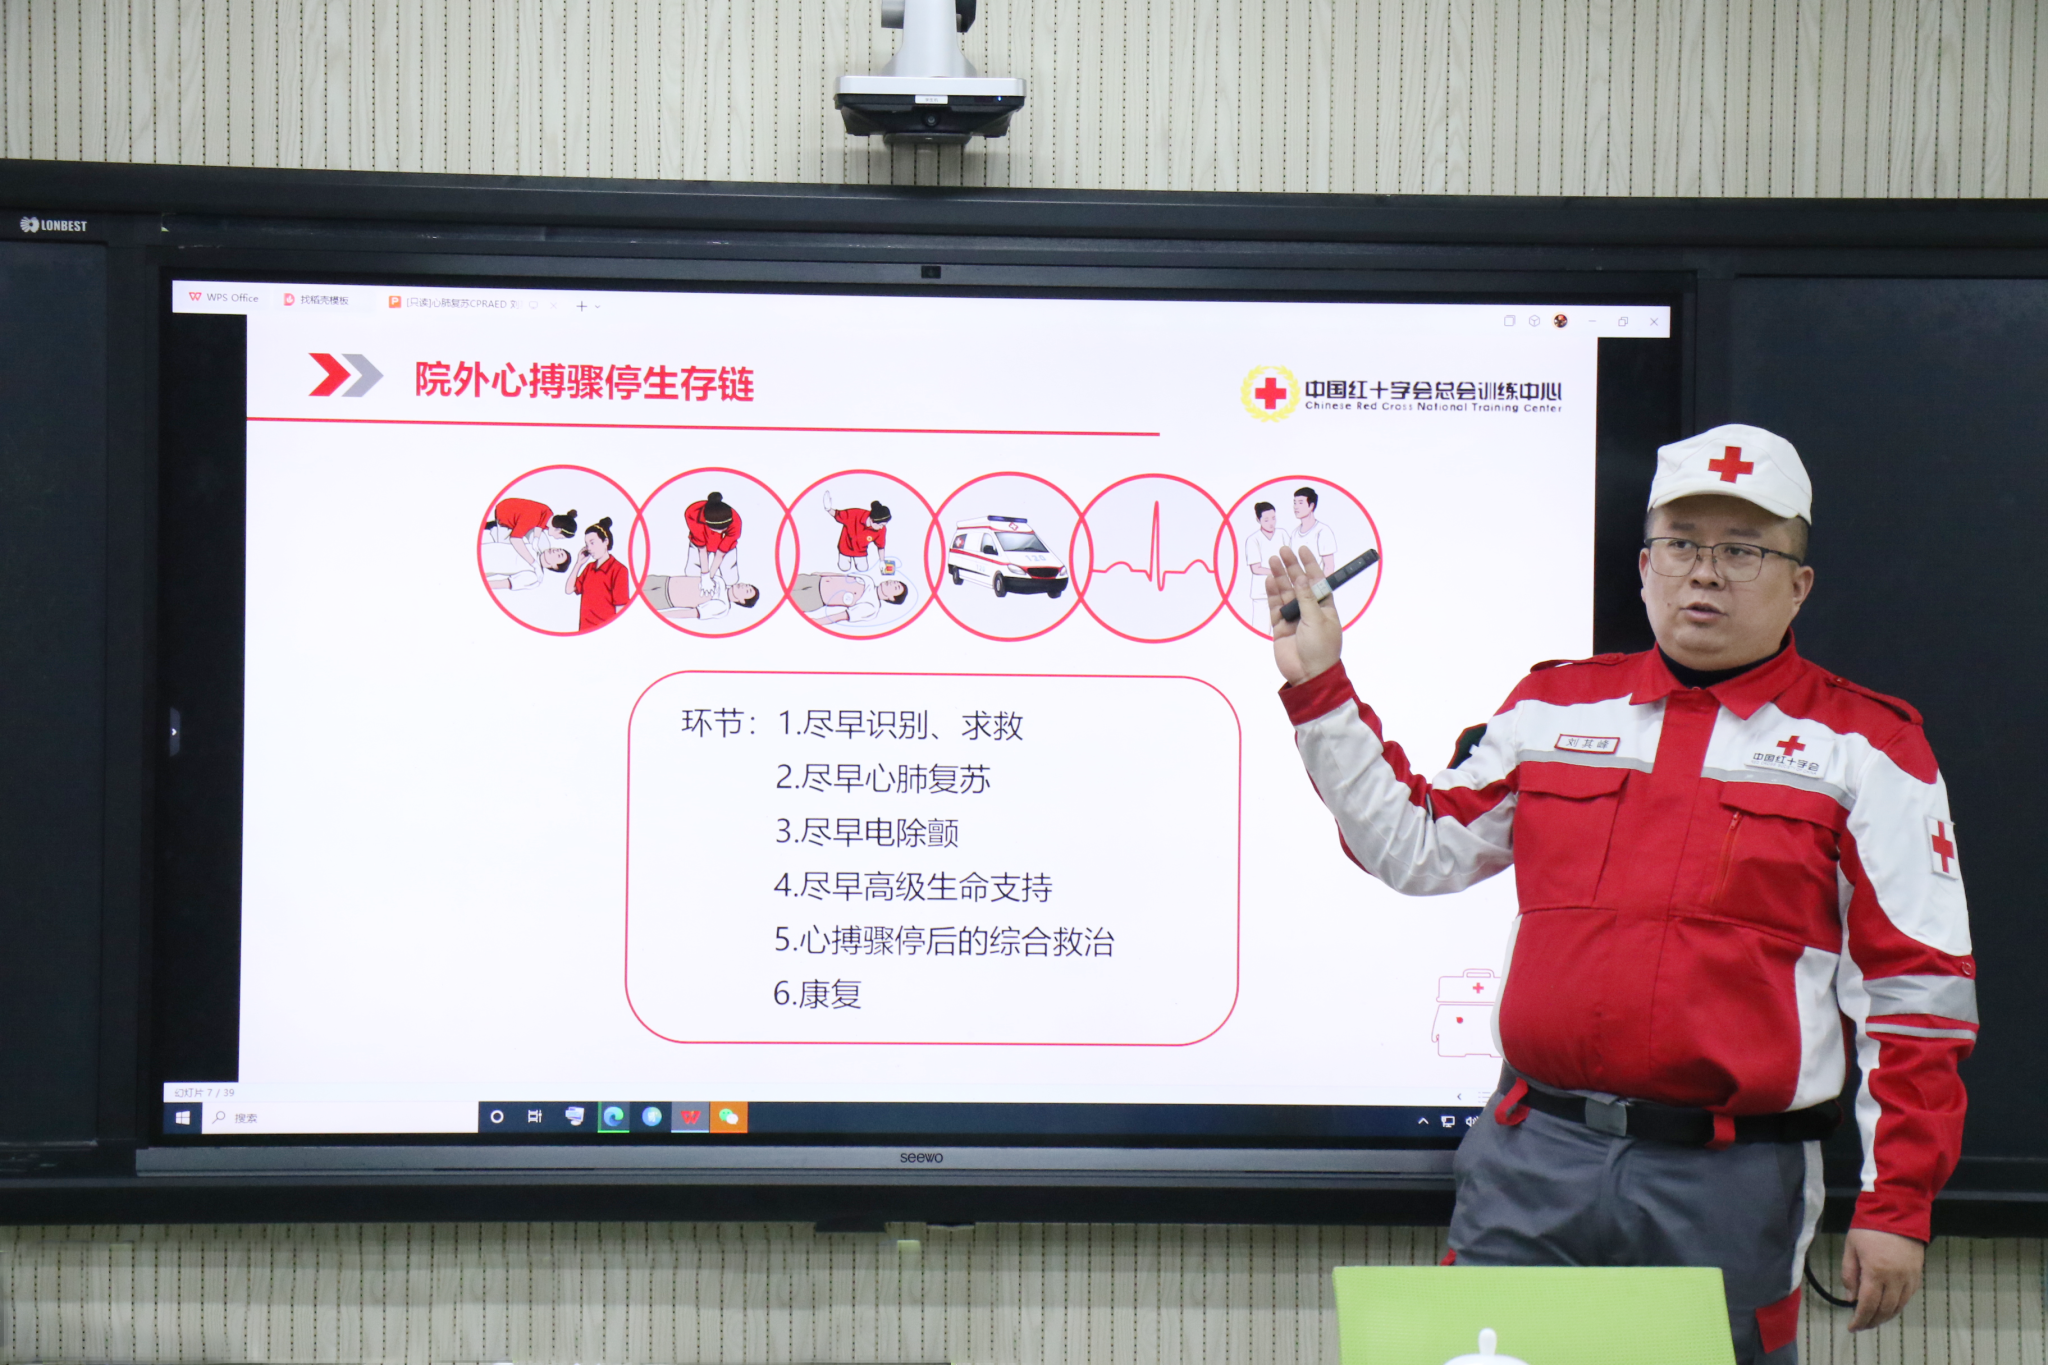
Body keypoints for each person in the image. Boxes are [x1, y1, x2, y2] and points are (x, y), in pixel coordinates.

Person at [1263, 425, 1973, 1365]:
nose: (1704, 573)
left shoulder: (1870, 747)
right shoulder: (1552, 708)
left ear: (1799, 584)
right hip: (1533, 1160)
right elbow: (1417, 846)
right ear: (1644, 567)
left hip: (1729, 1177)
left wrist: (1899, 1202)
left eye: (1743, 550)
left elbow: (1917, 996)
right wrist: (1319, 685)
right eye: (1681, 544)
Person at [567, 517, 632, 632]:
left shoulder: (619, 570)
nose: (589, 548)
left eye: (592, 543)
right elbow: (569, 589)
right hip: (584, 629)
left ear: (605, 541)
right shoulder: (589, 568)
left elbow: (621, 608)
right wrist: (578, 563)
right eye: (587, 544)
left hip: (606, 631)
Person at [487, 497, 578, 569]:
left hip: (519, 519)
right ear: (558, 530)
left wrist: (536, 541)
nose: (557, 539)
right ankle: (492, 528)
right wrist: (533, 563)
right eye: (560, 537)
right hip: (504, 515)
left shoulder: (547, 517)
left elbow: (539, 528)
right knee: (506, 548)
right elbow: (515, 539)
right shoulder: (533, 518)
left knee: (542, 542)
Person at [791, 571, 908, 624]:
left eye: (896, 587)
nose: (892, 582)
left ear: (892, 598)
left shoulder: (871, 607)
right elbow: (844, 576)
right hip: (814, 580)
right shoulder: (868, 579)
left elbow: (840, 616)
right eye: (894, 581)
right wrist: (821, 574)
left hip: (815, 597)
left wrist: (817, 622)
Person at [481, 524, 572, 590]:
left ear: (555, 566)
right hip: (482, 548)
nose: (556, 551)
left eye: (559, 555)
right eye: (558, 549)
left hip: (483, 566)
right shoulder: (535, 546)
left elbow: (504, 583)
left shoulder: (535, 576)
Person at [822, 489, 892, 571]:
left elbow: (881, 546)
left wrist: (882, 561)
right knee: (844, 568)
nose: (881, 527)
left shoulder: (881, 530)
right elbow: (837, 514)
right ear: (872, 520)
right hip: (845, 548)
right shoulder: (855, 514)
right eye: (880, 525)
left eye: (884, 525)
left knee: (863, 568)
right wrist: (828, 508)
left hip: (861, 552)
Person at [644, 572, 761, 620]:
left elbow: (690, 613)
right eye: (747, 585)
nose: (744, 586)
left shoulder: (722, 606)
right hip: (664, 580)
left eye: (747, 591)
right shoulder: (720, 580)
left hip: (664, 598)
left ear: (742, 601)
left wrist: (661, 616)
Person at [684, 491, 743, 583]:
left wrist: (710, 577)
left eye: (723, 530)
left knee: (731, 579)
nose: (720, 532)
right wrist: (705, 576)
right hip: (700, 544)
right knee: (692, 572)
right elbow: (702, 550)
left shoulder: (736, 521)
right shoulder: (693, 514)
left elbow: (720, 554)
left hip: (724, 547)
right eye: (717, 530)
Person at [1244, 500, 1290, 602]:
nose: (1271, 523)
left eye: (1273, 518)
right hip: (1261, 593)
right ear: (1258, 520)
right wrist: (1279, 572)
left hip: (1284, 590)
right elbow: (1256, 569)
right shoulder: (1253, 539)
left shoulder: (1282, 534)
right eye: (1266, 520)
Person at [1291, 485, 1337, 572]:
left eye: (1300, 503)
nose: (1296, 507)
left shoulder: (1323, 531)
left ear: (1311, 505)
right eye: (1295, 503)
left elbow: (1329, 566)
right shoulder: (1294, 533)